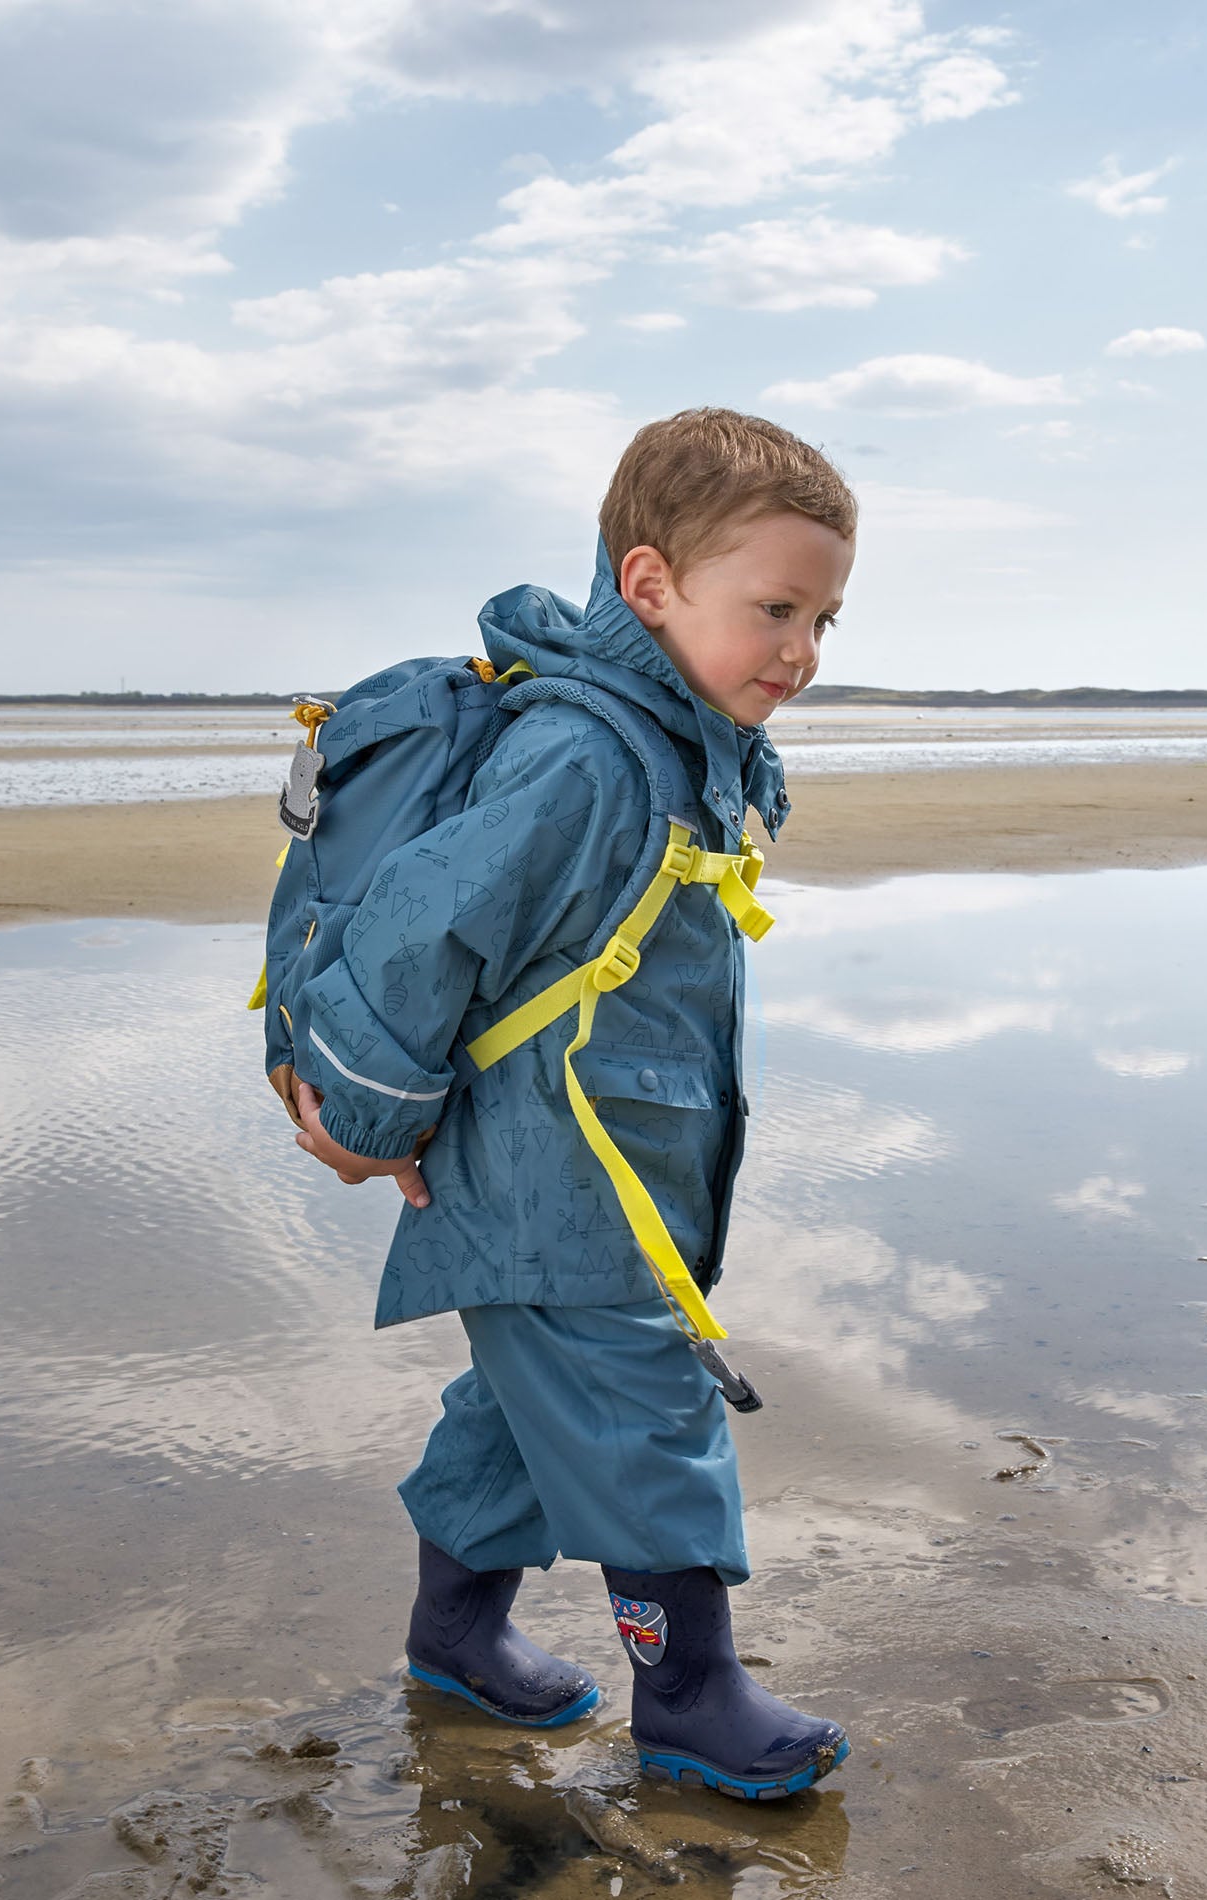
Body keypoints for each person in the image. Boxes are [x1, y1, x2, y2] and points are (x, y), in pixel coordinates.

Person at [289, 408, 857, 1800]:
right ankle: (692, 1694)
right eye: (776, 609)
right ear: (651, 585)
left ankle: (456, 1637)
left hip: (611, 1158)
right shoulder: (589, 757)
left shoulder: (691, 742)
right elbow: (429, 932)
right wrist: (364, 1123)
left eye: (828, 619)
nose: (802, 652)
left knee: (521, 1417)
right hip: (552, 1171)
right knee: (645, 1408)